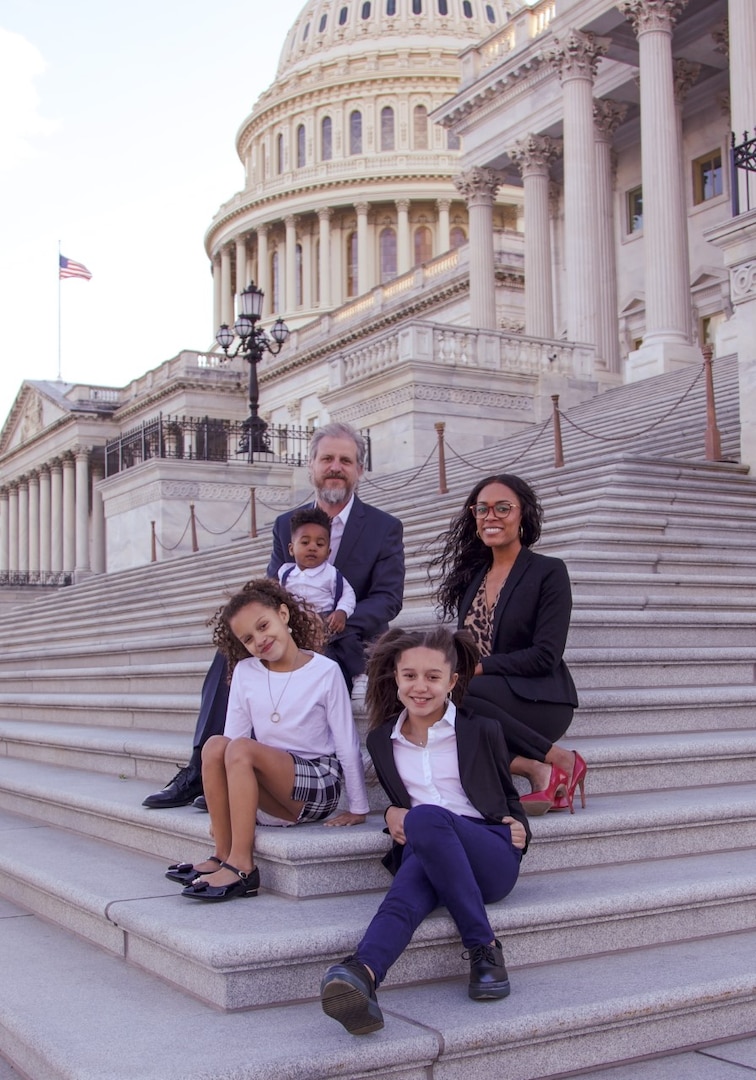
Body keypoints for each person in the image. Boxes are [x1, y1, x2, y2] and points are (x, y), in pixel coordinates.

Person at [143, 422, 404, 809]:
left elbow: (388, 598)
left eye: (345, 460)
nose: (336, 467)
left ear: (359, 470)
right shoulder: (287, 524)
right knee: (230, 655)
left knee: (309, 666)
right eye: (327, 458)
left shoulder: (384, 527)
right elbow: (270, 590)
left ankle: (275, 777)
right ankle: (202, 769)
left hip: (347, 637)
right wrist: (281, 624)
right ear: (311, 466)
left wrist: (335, 622)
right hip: (288, 629)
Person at [320, 626, 529, 1035]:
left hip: (487, 852)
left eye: (433, 677)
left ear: (452, 682)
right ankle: (363, 972)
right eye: (410, 675)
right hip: (427, 847)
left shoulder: (482, 729)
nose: (420, 686)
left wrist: (519, 826)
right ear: (395, 678)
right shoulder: (383, 741)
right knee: (408, 885)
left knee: (426, 818)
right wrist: (391, 815)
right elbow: (401, 805)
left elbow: (508, 796)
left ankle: (481, 945)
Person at [165, 579, 369, 901]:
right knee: (216, 745)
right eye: (248, 638)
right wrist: (224, 812)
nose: (260, 640)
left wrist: (358, 806)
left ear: (283, 615)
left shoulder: (325, 671)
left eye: (264, 626)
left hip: (318, 781)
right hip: (273, 784)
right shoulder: (245, 672)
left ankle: (243, 867)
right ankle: (222, 853)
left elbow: (347, 742)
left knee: (241, 749)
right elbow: (229, 744)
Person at [431, 472, 584, 816]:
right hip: (485, 699)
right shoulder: (471, 578)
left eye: (503, 508)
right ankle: (539, 767)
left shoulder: (548, 572)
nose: (491, 516)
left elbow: (546, 655)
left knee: (456, 694)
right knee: (432, 700)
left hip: (537, 699)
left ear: (522, 516)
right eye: (482, 509)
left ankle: (555, 757)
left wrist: (479, 668)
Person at [276, 506, 363, 685]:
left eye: (320, 544)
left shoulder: (330, 574)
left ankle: (359, 675)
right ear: (292, 549)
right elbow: (276, 596)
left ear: (328, 552)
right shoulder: (285, 573)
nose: (312, 548)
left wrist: (341, 612)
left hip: (325, 620)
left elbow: (348, 594)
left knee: (347, 641)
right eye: (305, 542)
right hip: (295, 622)